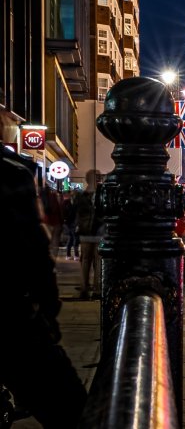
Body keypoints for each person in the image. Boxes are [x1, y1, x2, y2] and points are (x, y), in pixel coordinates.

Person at [0, 145, 88, 428]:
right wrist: (47, 313)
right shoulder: (10, 173)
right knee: (72, 411)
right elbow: (34, 253)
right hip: (10, 321)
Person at [73, 171, 101, 299]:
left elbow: (76, 214)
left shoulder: (80, 196)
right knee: (97, 261)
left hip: (85, 231)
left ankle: (84, 288)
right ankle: (97, 290)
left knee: (85, 261)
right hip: (99, 231)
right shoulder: (101, 194)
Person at [61, 191, 79, 259]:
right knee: (75, 238)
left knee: (71, 238)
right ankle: (76, 255)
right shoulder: (68, 203)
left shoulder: (64, 203)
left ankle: (68, 255)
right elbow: (72, 213)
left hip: (68, 223)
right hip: (71, 223)